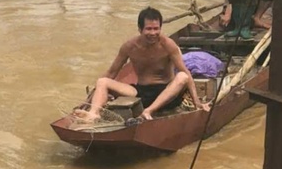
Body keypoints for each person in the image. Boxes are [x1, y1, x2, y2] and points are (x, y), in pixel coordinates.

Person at [76, 7, 210, 122]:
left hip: (167, 93)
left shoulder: (168, 45)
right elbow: (112, 73)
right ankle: (93, 114)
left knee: (182, 77)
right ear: (140, 29)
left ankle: (148, 111)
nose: (153, 33)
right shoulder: (129, 46)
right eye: (149, 29)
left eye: (156, 29)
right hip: (141, 93)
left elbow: (186, 73)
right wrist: (89, 99)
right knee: (103, 81)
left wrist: (197, 102)